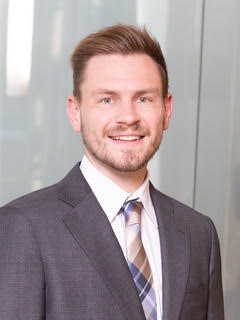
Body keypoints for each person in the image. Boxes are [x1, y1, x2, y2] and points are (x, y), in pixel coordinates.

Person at [0, 24, 224, 320]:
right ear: (75, 112)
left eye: (144, 98)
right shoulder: (24, 226)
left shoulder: (199, 234)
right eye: (107, 99)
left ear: (167, 110)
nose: (128, 117)